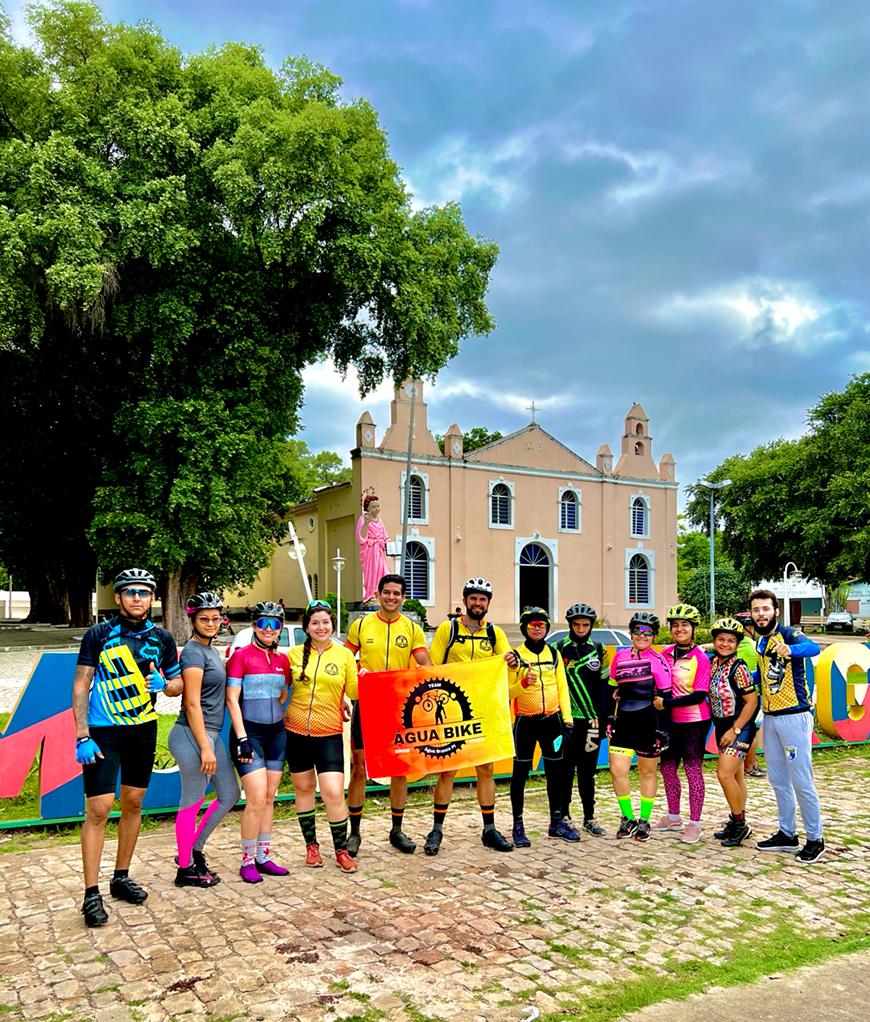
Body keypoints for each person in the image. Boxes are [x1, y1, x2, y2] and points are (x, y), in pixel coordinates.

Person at [72, 569, 182, 927]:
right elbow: (81, 683)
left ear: (153, 598)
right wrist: (81, 734)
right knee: (100, 808)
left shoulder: (162, 637)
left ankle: (121, 876)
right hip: (104, 731)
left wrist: (165, 684)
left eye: (144, 593)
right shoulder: (99, 634)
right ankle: (91, 893)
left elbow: (178, 683)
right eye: (130, 592)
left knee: (133, 802)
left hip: (143, 729)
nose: (137, 598)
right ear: (118, 598)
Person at [423, 578, 517, 855]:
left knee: (486, 770)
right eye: (473, 598)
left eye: (483, 599)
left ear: (488, 603)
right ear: (465, 601)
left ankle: (489, 829)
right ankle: (436, 829)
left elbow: (508, 664)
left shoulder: (494, 633)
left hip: (485, 709)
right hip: (454, 711)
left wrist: (513, 662)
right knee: (447, 770)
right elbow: (433, 664)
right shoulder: (448, 629)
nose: (478, 603)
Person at [345, 574, 431, 855]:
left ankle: (397, 830)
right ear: (378, 594)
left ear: (403, 597)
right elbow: (346, 658)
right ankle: (354, 833)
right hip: (367, 702)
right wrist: (354, 675)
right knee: (359, 768)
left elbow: (424, 661)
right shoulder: (361, 624)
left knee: (399, 769)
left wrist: (428, 672)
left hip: (398, 705)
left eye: (396, 593)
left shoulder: (412, 628)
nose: (391, 597)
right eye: (386, 592)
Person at [168, 593, 240, 888]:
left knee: (229, 795)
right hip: (192, 735)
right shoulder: (194, 653)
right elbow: (192, 703)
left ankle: (192, 850)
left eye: (215, 618)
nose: (210, 623)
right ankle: (185, 870)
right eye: (203, 619)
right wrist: (206, 747)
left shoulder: (211, 651)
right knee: (192, 801)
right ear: (193, 620)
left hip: (209, 734)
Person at [750, 589, 825, 864]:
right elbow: (762, 673)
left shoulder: (790, 634)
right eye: (756, 610)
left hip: (794, 715)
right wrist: (747, 676)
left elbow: (814, 649)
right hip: (770, 717)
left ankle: (816, 839)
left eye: (765, 609)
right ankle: (787, 833)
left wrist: (790, 650)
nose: (761, 614)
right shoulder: (760, 642)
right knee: (778, 779)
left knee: (801, 780)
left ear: (775, 611)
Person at [285, 600, 359, 873]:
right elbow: (281, 690)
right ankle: (311, 847)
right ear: (306, 627)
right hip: (295, 733)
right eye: (315, 623)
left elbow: (355, 691)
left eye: (325, 622)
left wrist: (363, 678)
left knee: (332, 792)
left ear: (332, 625)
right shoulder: (292, 655)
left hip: (328, 733)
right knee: (303, 790)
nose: (321, 627)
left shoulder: (344, 656)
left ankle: (340, 850)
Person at [226, 601, 292, 883]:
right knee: (254, 799)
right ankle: (247, 860)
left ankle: (264, 856)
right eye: (263, 623)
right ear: (254, 626)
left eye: (274, 624)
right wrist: (242, 738)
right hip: (248, 734)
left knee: (269, 798)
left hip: (276, 734)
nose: (268, 629)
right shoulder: (241, 656)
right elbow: (232, 699)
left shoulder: (283, 660)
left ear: (279, 629)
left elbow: (282, 695)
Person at [507, 607, 577, 847]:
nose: (537, 628)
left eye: (541, 624)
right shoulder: (516, 656)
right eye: (532, 624)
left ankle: (556, 822)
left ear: (547, 628)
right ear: (525, 628)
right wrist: (523, 683)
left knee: (555, 773)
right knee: (520, 775)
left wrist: (567, 720)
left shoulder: (554, 654)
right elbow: (508, 692)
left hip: (552, 721)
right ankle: (518, 825)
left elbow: (563, 688)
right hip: (526, 722)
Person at [608, 612, 672, 842]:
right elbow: (611, 690)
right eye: (637, 631)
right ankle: (628, 818)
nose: (642, 636)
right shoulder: (620, 656)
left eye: (647, 632)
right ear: (631, 632)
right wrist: (608, 718)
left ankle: (644, 820)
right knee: (617, 771)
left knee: (647, 772)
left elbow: (665, 697)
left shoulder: (659, 659)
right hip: (623, 721)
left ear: (654, 635)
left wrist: (662, 730)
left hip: (648, 721)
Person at [653, 605, 711, 843]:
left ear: (693, 629)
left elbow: (699, 695)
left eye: (684, 625)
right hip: (669, 723)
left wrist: (666, 703)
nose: (679, 629)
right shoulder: (664, 654)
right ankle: (673, 816)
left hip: (694, 721)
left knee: (692, 770)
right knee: (667, 768)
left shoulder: (700, 658)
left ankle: (695, 823)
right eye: (675, 625)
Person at [551, 603, 610, 836]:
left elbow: (605, 687)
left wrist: (604, 719)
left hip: (592, 720)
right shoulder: (557, 648)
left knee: (588, 771)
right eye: (577, 624)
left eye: (586, 625)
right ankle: (564, 815)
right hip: (567, 720)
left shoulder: (599, 649)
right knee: (565, 770)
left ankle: (589, 817)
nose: (581, 628)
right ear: (570, 625)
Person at [706, 617, 759, 847]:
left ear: (737, 644)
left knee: (724, 774)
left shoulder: (739, 668)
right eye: (721, 639)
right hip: (720, 726)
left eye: (730, 641)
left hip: (740, 727)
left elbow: (751, 701)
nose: (725, 644)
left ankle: (740, 825)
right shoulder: (712, 663)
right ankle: (737, 818)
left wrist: (736, 728)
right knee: (736, 777)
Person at [734, 610, 765, 778]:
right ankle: (751, 765)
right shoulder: (753, 645)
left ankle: (749, 766)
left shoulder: (741, 645)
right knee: (751, 730)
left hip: (741, 695)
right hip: (754, 693)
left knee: (747, 730)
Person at [355, 495, 390, 605]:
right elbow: (360, 537)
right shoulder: (363, 519)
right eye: (374, 507)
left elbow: (385, 536)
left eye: (378, 506)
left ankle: (379, 594)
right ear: (368, 508)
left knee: (384, 573)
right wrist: (366, 523)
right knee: (372, 573)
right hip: (370, 551)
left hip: (380, 551)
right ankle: (370, 595)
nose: (377, 509)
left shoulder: (380, 521)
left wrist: (389, 545)